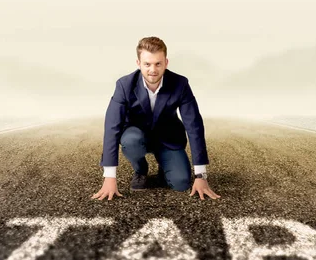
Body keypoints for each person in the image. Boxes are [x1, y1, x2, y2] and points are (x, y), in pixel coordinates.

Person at [91, 36, 221, 201]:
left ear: (166, 62)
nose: (153, 69)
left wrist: (201, 176)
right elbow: (112, 126)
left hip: (168, 137)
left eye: (158, 64)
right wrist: (109, 177)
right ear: (138, 63)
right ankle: (141, 169)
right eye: (147, 64)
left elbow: (194, 125)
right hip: (136, 137)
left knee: (181, 183)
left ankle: (164, 168)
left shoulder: (180, 84)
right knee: (131, 141)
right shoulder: (124, 85)